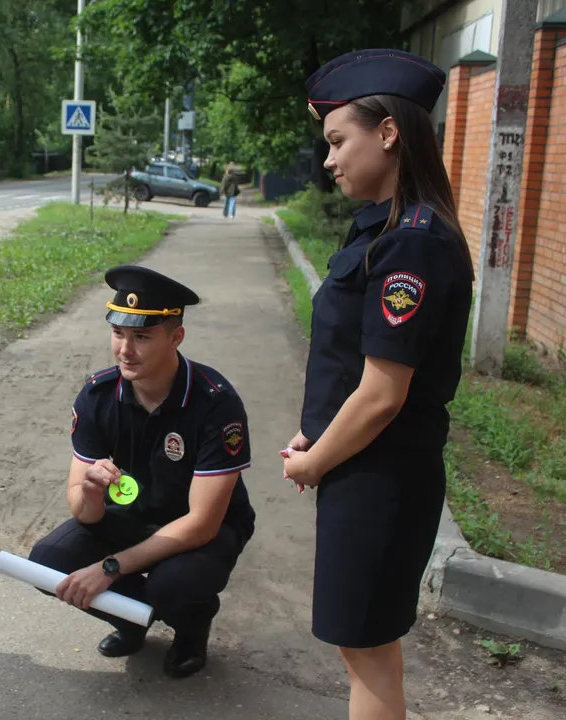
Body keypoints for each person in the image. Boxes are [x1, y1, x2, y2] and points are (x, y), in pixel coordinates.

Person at [281, 49, 474, 720]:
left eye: (339, 141)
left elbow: (384, 394)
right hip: (366, 472)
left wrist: (312, 459)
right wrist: (319, 433)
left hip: (381, 478)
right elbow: (351, 365)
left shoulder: (412, 244)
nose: (329, 160)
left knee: (363, 650)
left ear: (388, 132)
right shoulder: (391, 232)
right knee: (366, 650)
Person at [29, 265, 256, 679]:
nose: (125, 350)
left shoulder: (214, 403)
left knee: (172, 587)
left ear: (176, 337)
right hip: (130, 518)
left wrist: (109, 568)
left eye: (142, 337)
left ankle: (192, 626)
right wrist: (93, 493)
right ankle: (128, 620)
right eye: (119, 333)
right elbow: (83, 513)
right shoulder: (98, 394)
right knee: (47, 561)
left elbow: (202, 525)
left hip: (200, 529)